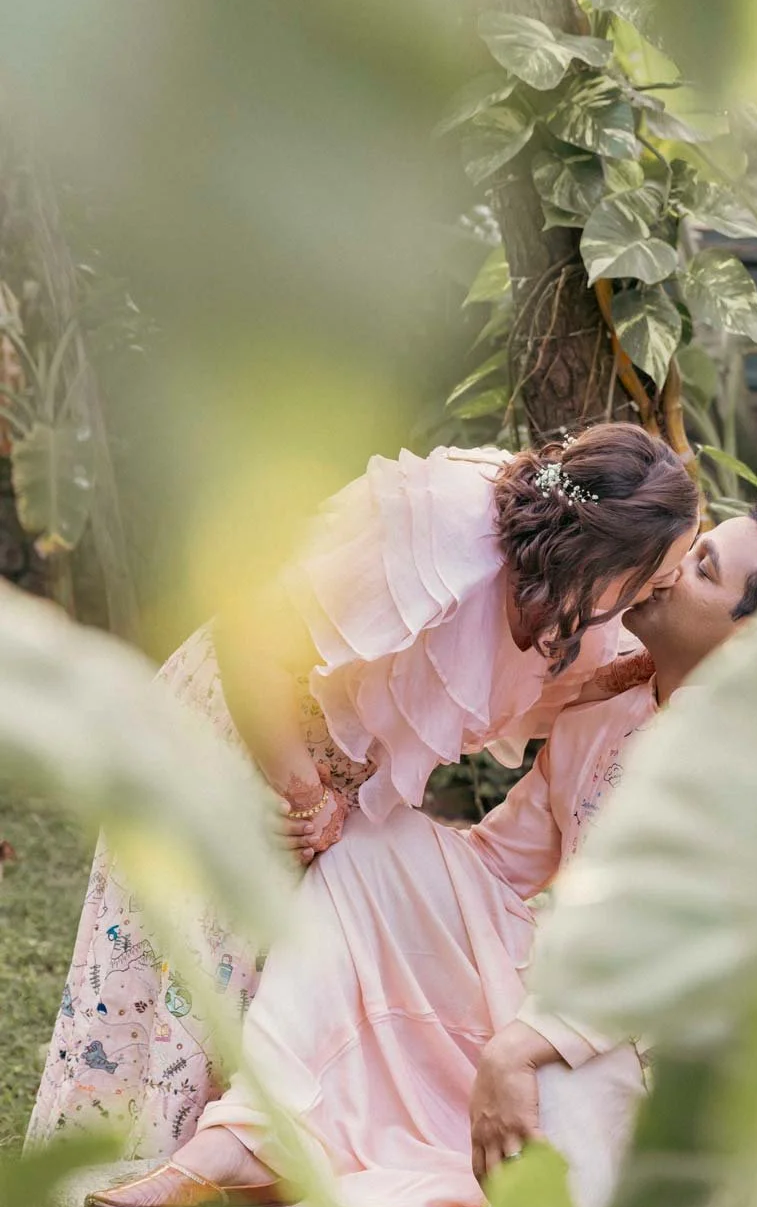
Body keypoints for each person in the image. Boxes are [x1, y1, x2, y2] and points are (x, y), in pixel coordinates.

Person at [85, 495, 757, 1207]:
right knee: (376, 843)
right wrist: (388, 895)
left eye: (702, 569)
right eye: (689, 550)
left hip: (664, 1051)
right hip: (558, 991)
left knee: (553, 1111)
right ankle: (258, 1133)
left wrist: (526, 1044)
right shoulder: (606, 709)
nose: (670, 570)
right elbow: (505, 862)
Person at [28, 425, 699, 1160]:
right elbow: (252, 636)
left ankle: (224, 1199)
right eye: (654, 579)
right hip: (244, 729)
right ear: (608, 554)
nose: (659, 592)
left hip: (340, 790)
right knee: (186, 965)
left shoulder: (580, 614)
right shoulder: (438, 529)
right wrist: (301, 791)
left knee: (269, 984)